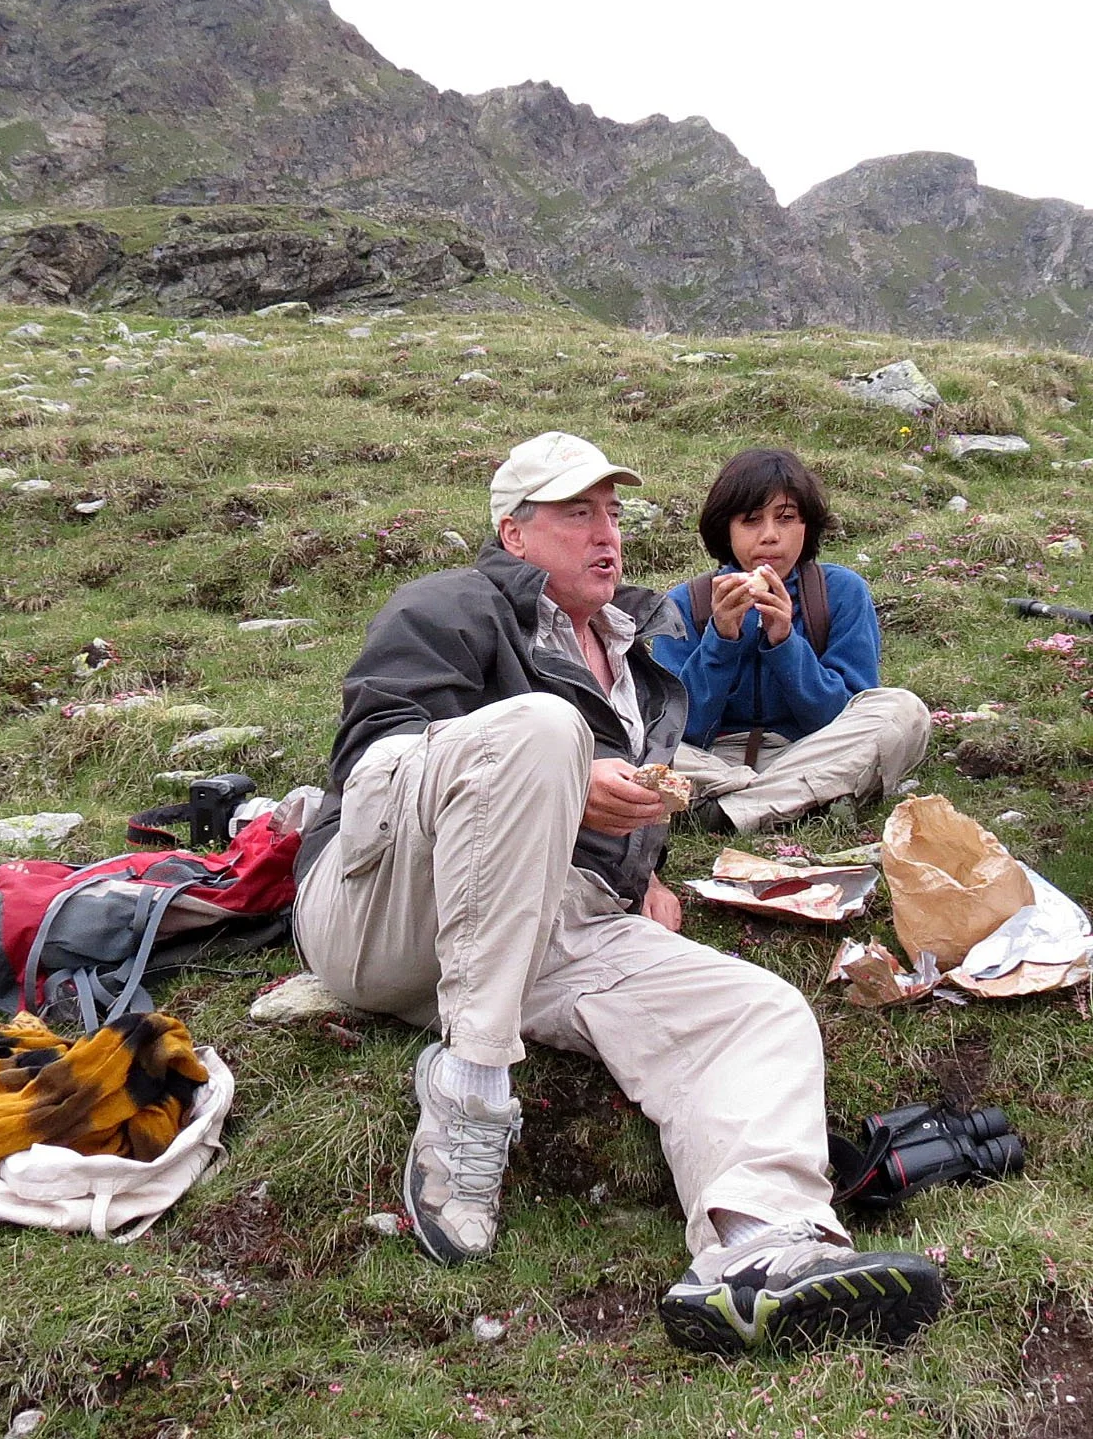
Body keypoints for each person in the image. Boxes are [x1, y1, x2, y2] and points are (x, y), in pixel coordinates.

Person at [291, 431, 944, 1353]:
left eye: (612, 513)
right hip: (384, 911)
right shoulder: (450, 605)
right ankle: (469, 1089)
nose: (606, 535)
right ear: (514, 535)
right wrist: (547, 771)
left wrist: (640, 874)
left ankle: (761, 1249)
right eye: (575, 514)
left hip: (547, 919)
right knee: (545, 730)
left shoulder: (639, 650)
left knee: (757, 1010)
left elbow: (657, 793)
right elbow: (371, 774)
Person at [653, 448, 931, 834]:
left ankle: (728, 810)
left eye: (785, 519)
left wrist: (785, 641)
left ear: (806, 526)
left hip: (805, 752)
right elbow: (679, 729)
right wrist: (722, 639)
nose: (770, 536)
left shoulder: (840, 592)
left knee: (903, 710)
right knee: (635, 742)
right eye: (751, 521)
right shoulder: (685, 603)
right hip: (712, 760)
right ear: (726, 529)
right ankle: (795, 802)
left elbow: (839, 716)